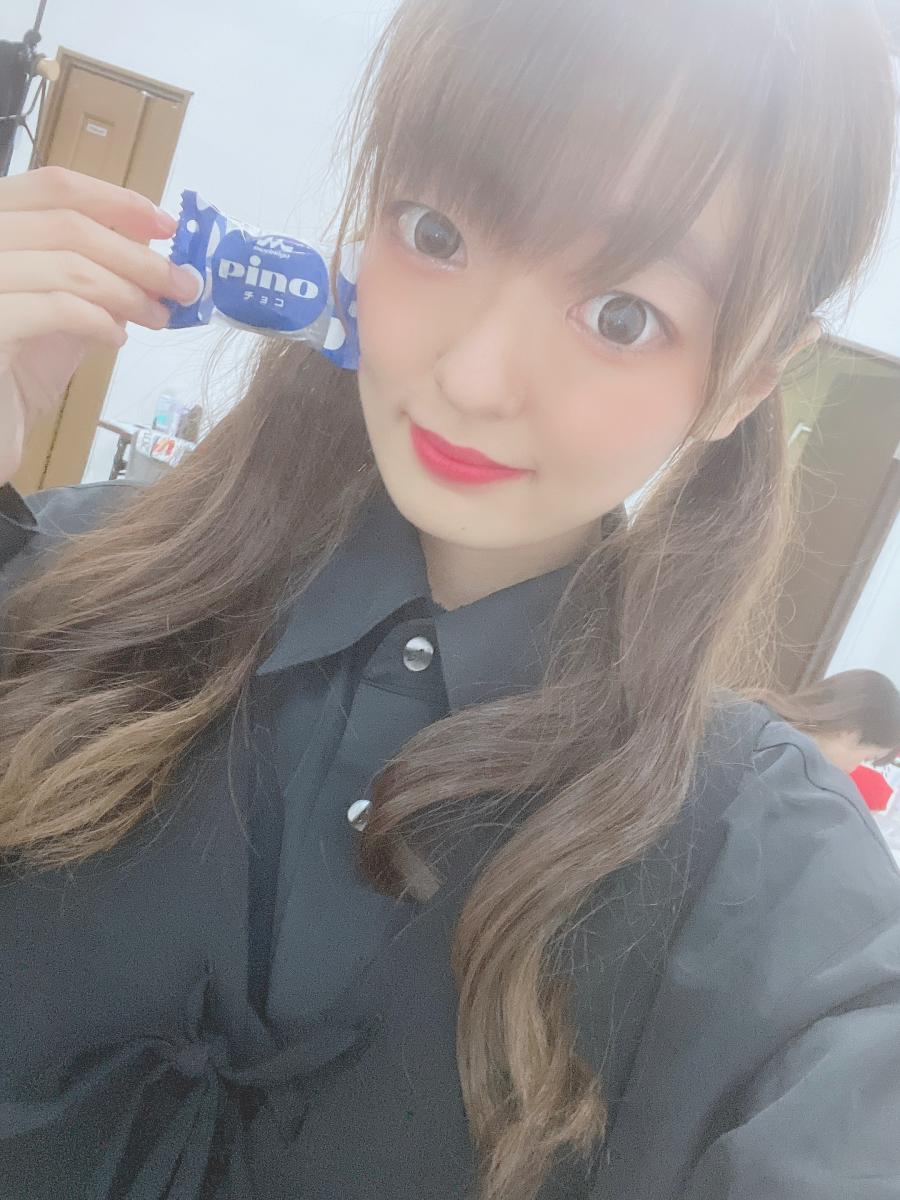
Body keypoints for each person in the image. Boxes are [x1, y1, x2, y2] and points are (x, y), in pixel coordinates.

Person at [1, 2, 899, 1198]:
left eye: (621, 315)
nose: (471, 376)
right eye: (436, 232)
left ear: (744, 379)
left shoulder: (763, 869)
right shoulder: (60, 586)